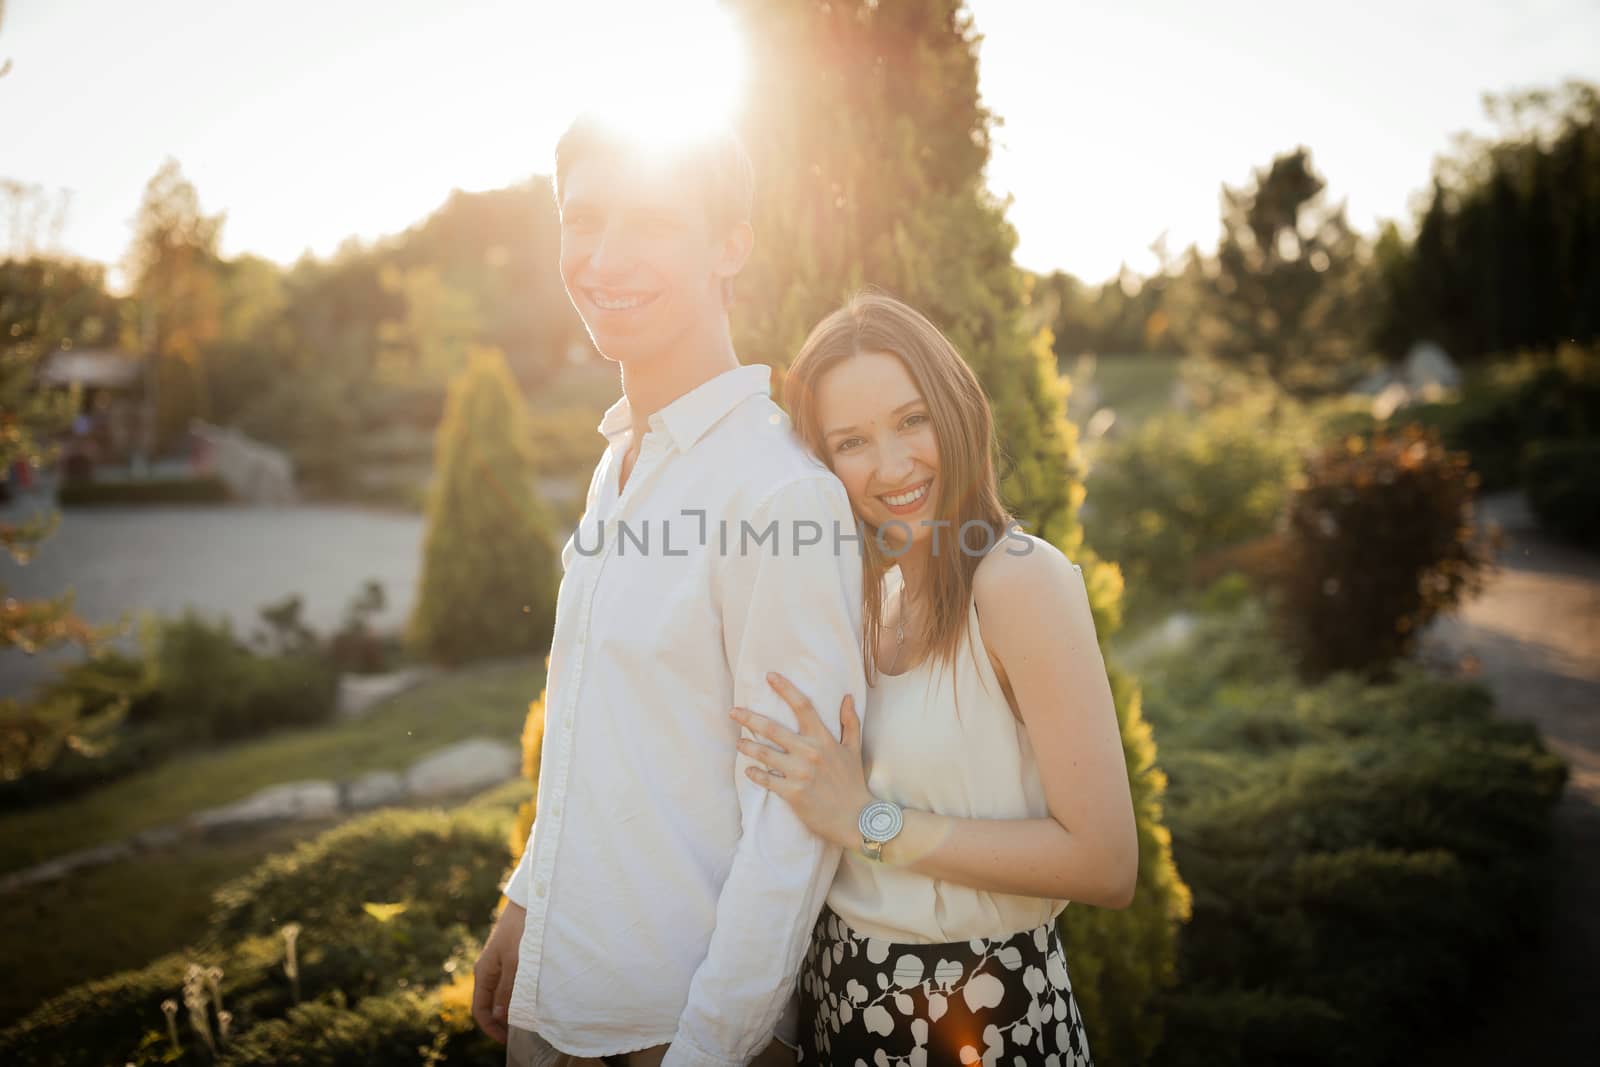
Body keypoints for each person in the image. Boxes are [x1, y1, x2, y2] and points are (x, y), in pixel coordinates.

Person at [471, 116, 867, 1067]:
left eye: (651, 222)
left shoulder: (778, 490)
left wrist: (704, 1051)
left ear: (731, 244)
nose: (606, 257)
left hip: (671, 1032)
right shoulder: (622, 460)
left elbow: (793, 829)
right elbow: (599, 728)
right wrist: (527, 898)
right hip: (556, 1003)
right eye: (583, 219)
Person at [729, 293, 1138, 1065]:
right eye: (852, 441)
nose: (892, 465)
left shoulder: (1019, 580)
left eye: (912, 420)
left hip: (982, 1014)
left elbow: (1107, 862)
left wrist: (868, 820)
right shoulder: (871, 603)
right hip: (839, 1009)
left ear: (955, 412)